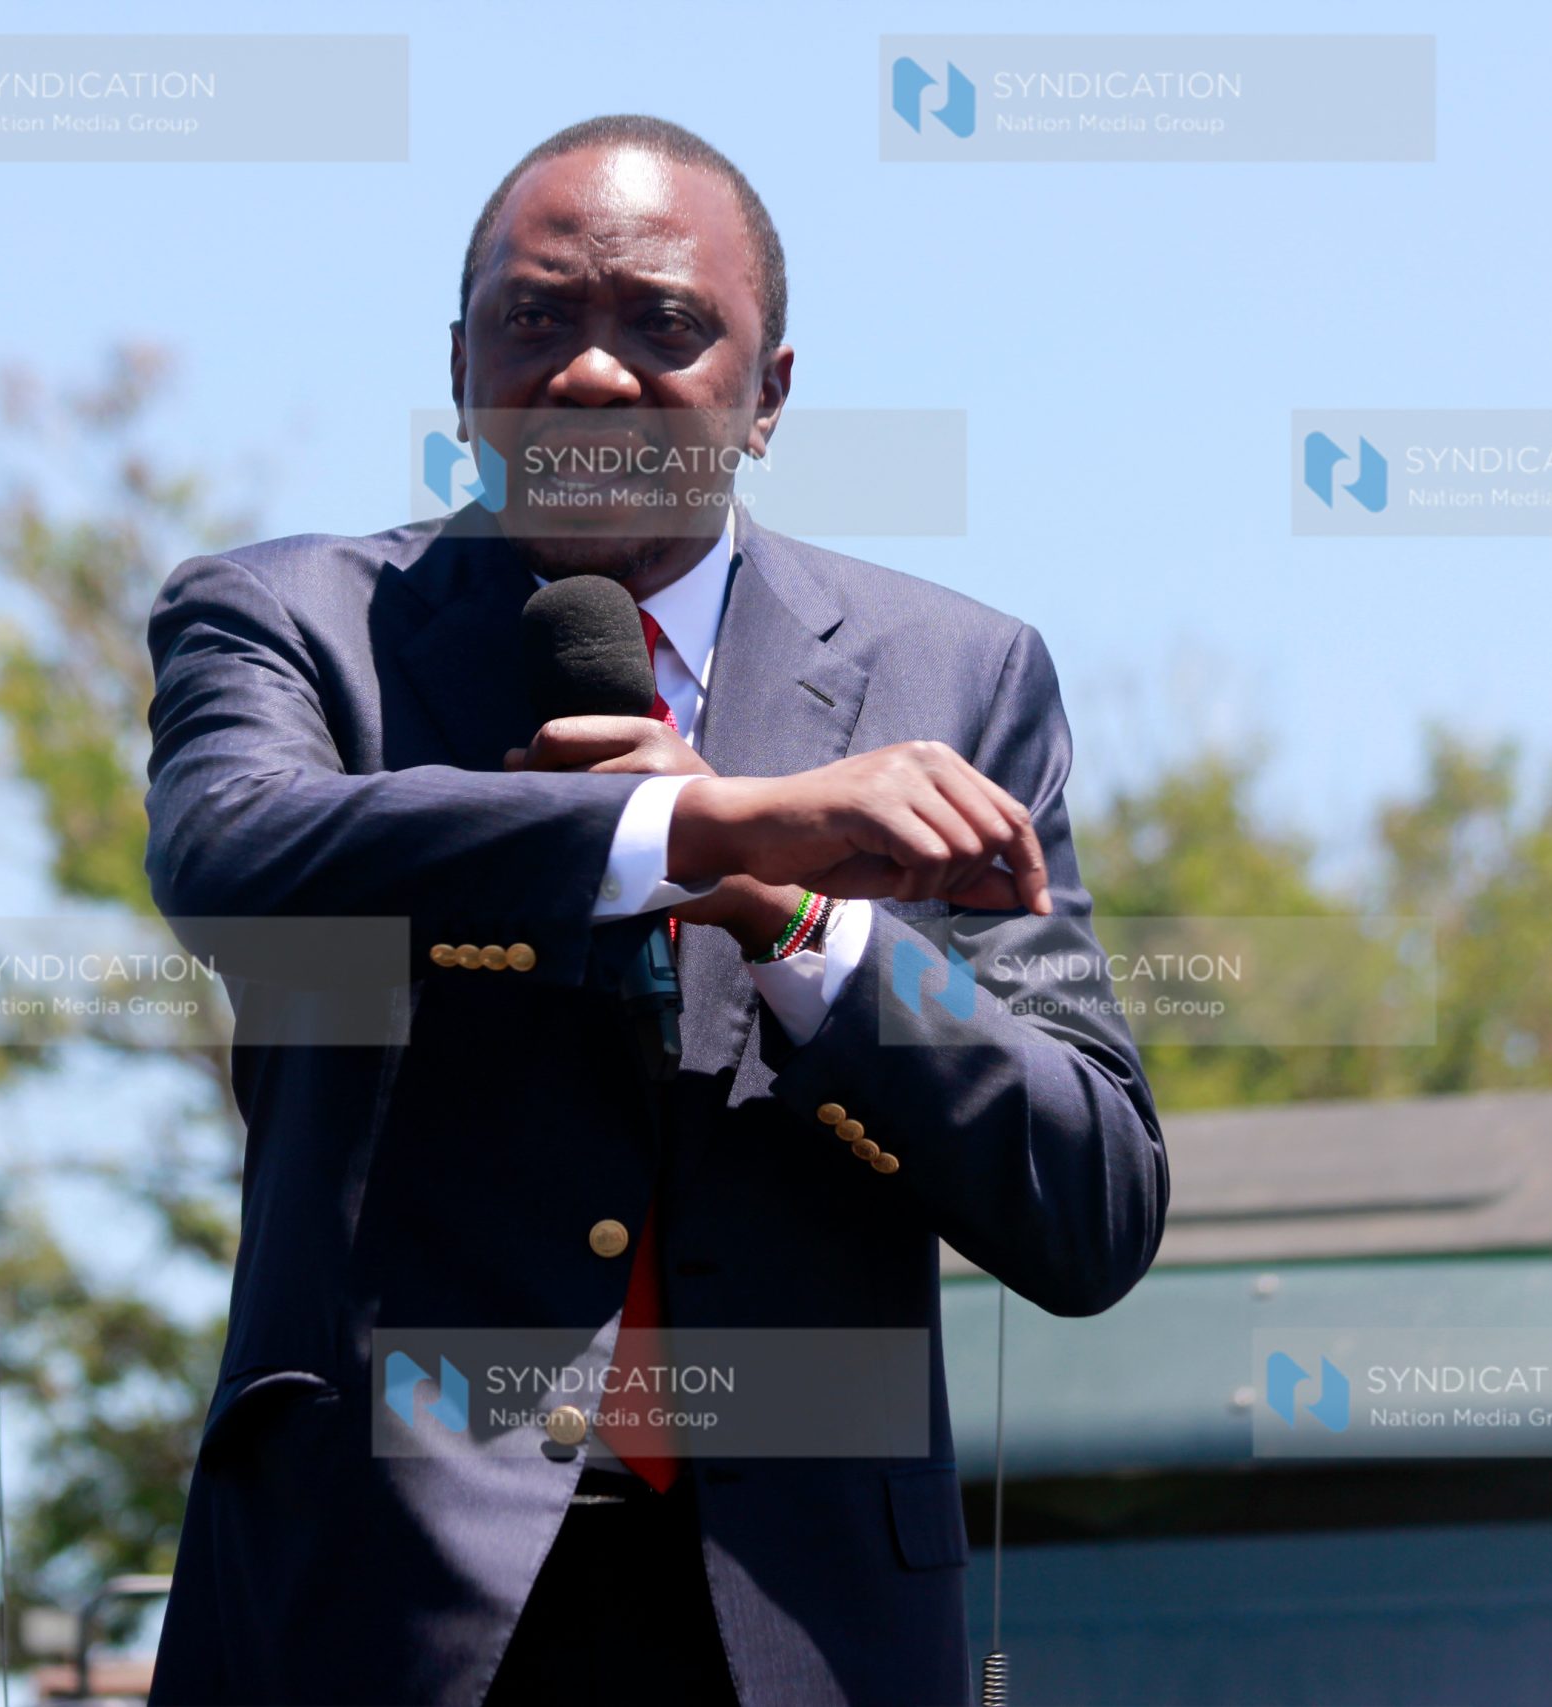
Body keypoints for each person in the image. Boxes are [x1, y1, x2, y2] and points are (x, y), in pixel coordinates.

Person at [143, 114, 1168, 1707]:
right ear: (466, 363)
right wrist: (694, 822)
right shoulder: (295, 621)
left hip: (797, 1624)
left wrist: (799, 919)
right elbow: (237, 856)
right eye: (537, 319)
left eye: (667, 327)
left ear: (769, 397)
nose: (595, 376)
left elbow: (1090, 1197)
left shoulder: (953, 679)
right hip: (370, 1606)